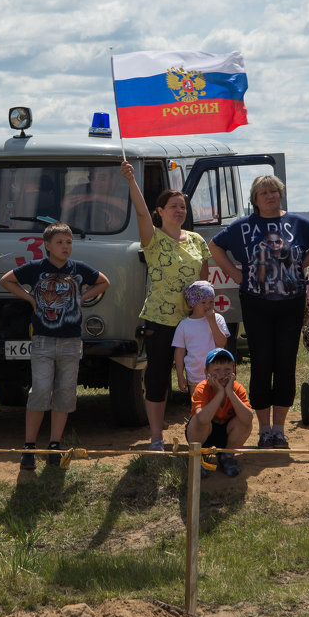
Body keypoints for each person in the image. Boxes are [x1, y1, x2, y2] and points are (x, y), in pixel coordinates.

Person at [210, 176, 309, 449]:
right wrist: (233, 273)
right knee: (262, 364)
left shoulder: (297, 223)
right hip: (256, 303)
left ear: (280, 194)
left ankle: (280, 430)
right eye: (263, 192)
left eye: (274, 191)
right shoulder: (243, 226)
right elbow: (215, 246)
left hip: (291, 303)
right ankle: (264, 431)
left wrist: (300, 264)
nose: (269, 196)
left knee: (285, 364)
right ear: (255, 199)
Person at [0, 222, 109, 470]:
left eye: (68, 242)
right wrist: (30, 299)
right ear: (46, 245)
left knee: (65, 393)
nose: (65, 247)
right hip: (42, 341)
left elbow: (104, 282)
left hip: (71, 341)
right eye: (59, 242)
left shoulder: (78, 269)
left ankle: (54, 446)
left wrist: (82, 297)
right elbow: (7, 280)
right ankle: (29, 447)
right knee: (39, 390)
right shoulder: (36, 268)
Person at [122, 161, 209, 450]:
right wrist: (132, 180)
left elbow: (204, 281)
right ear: (160, 211)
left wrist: (205, 313)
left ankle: (200, 433)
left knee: (199, 377)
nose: (179, 210)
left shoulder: (197, 240)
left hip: (193, 320)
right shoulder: (153, 238)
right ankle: (156, 438)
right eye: (173, 206)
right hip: (161, 319)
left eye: (183, 206)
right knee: (158, 378)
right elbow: (140, 211)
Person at [185, 348, 251, 478]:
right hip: (202, 435)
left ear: (234, 371)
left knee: (245, 423)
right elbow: (202, 419)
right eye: (217, 370)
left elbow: (248, 419)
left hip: (225, 434)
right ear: (206, 372)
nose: (223, 374)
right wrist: (220, 393)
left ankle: (226, 456)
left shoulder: (237, 389)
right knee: (200, 421)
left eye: (227, 369)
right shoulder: (202, 388)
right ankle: (197, 458)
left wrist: (230, 393)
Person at [172, 281, 228, 394]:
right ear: (193, 303)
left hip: (218, 373)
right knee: (198, 407)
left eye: (211, 302)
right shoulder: (184, 325)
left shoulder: (218, 319)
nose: (208, 306)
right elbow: (179, 351)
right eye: (203, 302)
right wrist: (180, 375)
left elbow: (221, 343)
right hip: (195, 375)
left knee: (217, 406)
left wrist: (212, 321)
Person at [62, 165, 129, 232]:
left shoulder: (124, 190)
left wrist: (95, 197)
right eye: (92, 178)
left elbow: (129, 206)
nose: (96, 182)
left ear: (113, 178)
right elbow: (64, 204)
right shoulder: (83, 188)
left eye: (102, 178)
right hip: (81, 232)